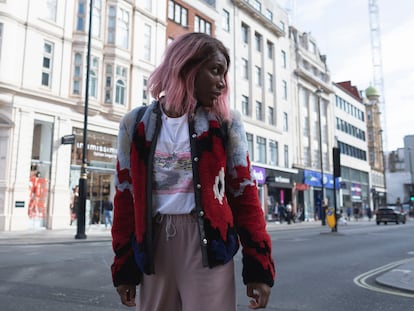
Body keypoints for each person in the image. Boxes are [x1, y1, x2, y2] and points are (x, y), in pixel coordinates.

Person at [111, 32, 275, 311]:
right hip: (154, 244)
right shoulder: (135, 124)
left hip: (208, 244)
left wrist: (259, 268)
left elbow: (245, 196)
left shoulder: (225, 124)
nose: (222, 83)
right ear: (187, 67)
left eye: (224, 74)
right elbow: (125, 199)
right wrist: (124, 268)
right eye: (215, 71)